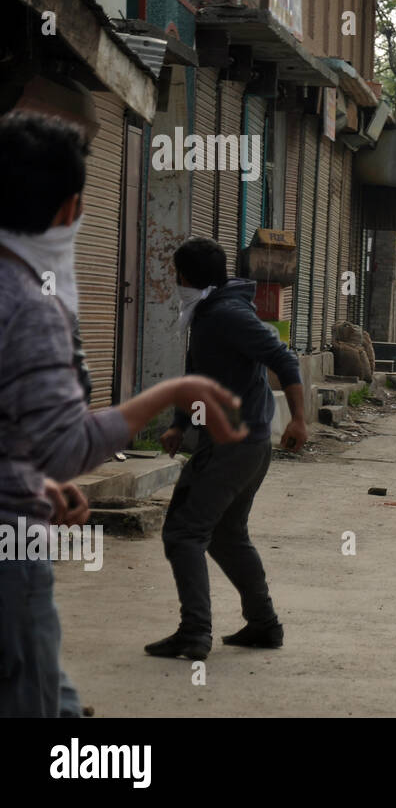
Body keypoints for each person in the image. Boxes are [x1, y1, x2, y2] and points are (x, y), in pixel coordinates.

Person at [0, 112, 245, 717]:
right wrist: (171, 392)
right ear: (71, 208)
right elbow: (61, 444)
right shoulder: (30, 305)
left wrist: (37, 481)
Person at [149, 236, 310, 661]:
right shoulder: (208, 312)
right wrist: (181, 424)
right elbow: (199, 374)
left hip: (233, 447)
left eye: (175, 272)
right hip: (243, 445)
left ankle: (194, 634)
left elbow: (284, 359)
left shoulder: (226, 314)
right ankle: (263, 625)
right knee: (226, 535)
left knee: (184, 533)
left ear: (183, 275)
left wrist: (298, 418)